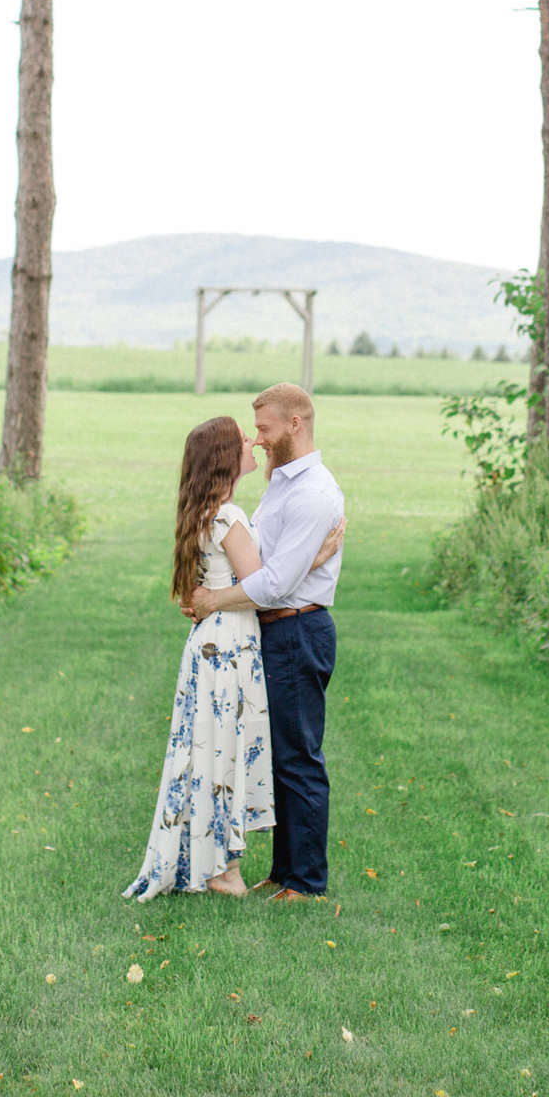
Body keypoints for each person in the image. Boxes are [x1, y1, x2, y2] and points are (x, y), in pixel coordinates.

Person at [125, 415, 342, 900]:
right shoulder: (230, 515)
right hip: (231, 645)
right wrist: (318, 555)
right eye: (246, 438)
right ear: (227, 457)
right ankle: (225, 869)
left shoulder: (206, 512)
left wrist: (209, 599)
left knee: (210, 748)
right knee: (223, 749)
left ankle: (223, 863)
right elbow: (268, 585)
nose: (255, 441)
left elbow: (222, 584)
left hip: (216, 641)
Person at [182, 383, 345, 903]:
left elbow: (275, 583)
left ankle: (306, 881)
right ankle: (282, 870)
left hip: (298, 629)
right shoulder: (281, 483)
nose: (258, 438)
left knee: (299, 757)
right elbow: (267, 564)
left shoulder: (314, 492)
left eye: (266, 428)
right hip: (271, 629)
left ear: (295, 424)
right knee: (277, 757)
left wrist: (213, 600)